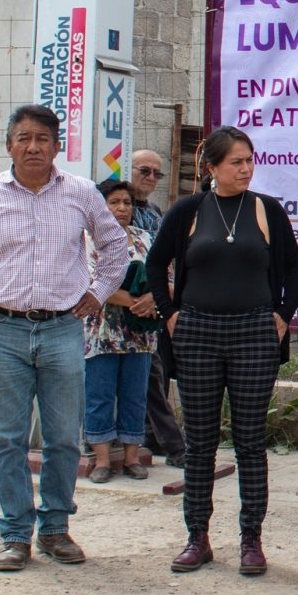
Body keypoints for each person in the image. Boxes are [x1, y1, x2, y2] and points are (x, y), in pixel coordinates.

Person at [0, 105, 128, 573]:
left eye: (42, 138)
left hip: (62, 329)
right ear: (9, 145)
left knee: (64, 437)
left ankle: (54, 529)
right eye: (23, 138)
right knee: (8, 439)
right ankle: (14, 535)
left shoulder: (82, 193)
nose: (33, 147)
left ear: (56, 145)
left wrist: (99, 292)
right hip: (1, 328)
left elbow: (115, 248)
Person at [146, 127, 298, 576]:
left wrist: (282, 315)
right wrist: (170, 314)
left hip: (254, 331)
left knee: (251, 442)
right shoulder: (189, 210)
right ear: (212, 168)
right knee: (200, 443)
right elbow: (157, 263)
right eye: (236, 162)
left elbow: (296, 266)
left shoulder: (266, 210)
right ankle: (197, 537)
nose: (246, 168)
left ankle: (251, 540)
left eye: (250, 160)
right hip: (196, 331)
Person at [84, 178, 160, 484]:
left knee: (135, 395)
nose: (122, 208)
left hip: (139, 334)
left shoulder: (144, 238)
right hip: (101, 331)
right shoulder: (87, 239)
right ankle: (102, 460)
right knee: (99, 394)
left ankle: (131, 457)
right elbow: (88, 280)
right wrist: (131, 301)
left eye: (127, 203)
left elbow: (164, 274)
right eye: (114, 202)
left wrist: (153, 298)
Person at [129, 148, 185, 468]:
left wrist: (163, 295)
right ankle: (173, 444)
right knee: (146, 376)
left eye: (156, 174)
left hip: (156, 306)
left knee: (157, 373)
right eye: (144, 171)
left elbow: (165, 262)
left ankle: (153, 437)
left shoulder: (155, 214)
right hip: (120, 308)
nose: (150, 178)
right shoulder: (110, 210)